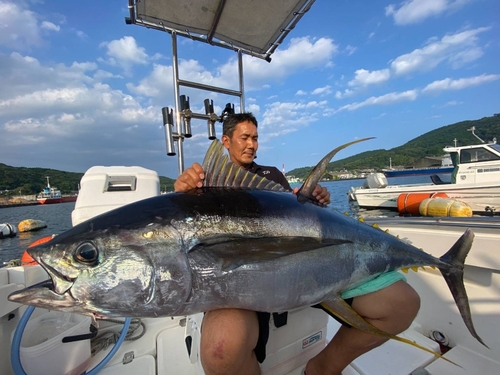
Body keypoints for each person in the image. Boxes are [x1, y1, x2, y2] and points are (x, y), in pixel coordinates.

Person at [174, 113, 421, 375]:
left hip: (296, 267)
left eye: (255, 138)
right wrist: (184, 195)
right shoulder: (205, 183)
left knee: (401, 303)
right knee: (219, 350)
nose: (251, 145)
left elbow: (298, 212)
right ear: (226, 141)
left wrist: (317, 198)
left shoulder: (271, 175)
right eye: (244, 138)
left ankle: (322, 368)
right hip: (236, 279)